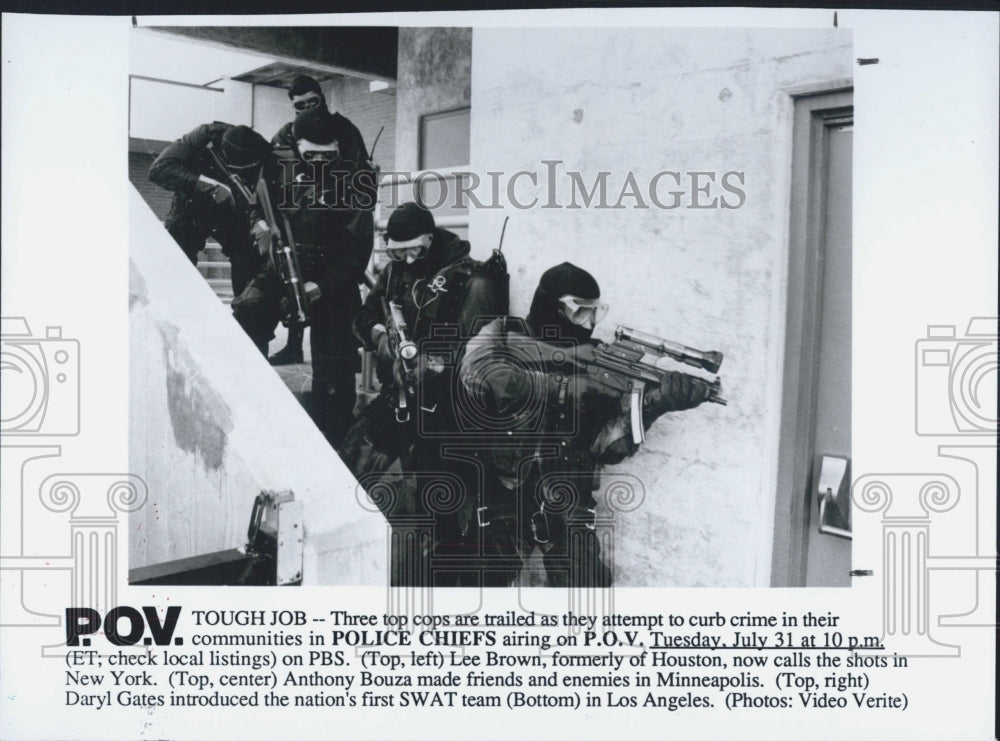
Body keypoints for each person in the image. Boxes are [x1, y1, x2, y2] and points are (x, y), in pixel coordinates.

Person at [456, 262, 719, 588]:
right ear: (550, 306)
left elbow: (609, 448)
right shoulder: (500, 335)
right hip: (503, 497)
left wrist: (654, 405)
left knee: (586, 598)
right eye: (579, 312)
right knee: (474, 595)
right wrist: (564, 388)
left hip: (568, 501)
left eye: (596, 313)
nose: (589, 323)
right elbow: (478, 373)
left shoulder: (596, 363)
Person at [341, 202, 501, 586]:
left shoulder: (472, 282)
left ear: (432, 238)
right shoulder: (395, 272)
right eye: (399, 251)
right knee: (351, 461)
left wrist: (426, 364)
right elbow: (363, 318)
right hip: (398, 398)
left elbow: (474, 356)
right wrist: (382, 340)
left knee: (439, 507)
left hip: (444, 415)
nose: (409, 258)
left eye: (417, 249)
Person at [231, 107, 376, 448]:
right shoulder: (276, 164)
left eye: (330, 155)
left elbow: (356, 253)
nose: (321, 163)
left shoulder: (356, 180)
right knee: (246, 313)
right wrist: (260, 226)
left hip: (333, 278)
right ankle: (250, 405)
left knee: (335, 363)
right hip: (283, 266)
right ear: (296, 146)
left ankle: (334, 435)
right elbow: (257, 203)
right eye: (312, 154)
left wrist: (320, 286)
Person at [267, 75, 376, 367]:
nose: (305, 108)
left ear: (322, 99)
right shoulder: (284, 134)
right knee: (293, 287)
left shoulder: (344, 129)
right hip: (298, 222)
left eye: (311, 102)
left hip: (336, 218)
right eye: (298, 105)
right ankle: (293, 345)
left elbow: (362, 176)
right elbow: (269, 177)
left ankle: (347, 350)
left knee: (340, 289)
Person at [148, 123, 271, 298]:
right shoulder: (204, 136)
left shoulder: (264, 150)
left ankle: (245, 314)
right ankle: (174, 306)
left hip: (232, 213)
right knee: (178, 258)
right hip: (191, 207)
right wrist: (209, 186)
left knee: (247, 260)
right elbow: (158, 170)